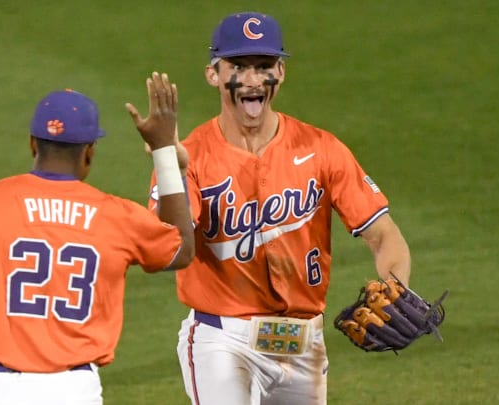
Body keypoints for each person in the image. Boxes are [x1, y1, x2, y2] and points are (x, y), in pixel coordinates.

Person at [147, 11, 413, 405]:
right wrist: (168, 165)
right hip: (223, 341)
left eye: (264, 66)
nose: (252, 80)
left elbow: (384, 235)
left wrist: (396, 288)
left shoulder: (322, 149)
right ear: (213, 74)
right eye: (238, 66)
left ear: (281, 72)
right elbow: (168, 249)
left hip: (304, 344)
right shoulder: (192, 156)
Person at [0, 73, 194, 404]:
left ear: (33, 144)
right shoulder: (117, 216)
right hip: (73, 390)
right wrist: (163, 150)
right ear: (89, 152)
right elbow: (182, 250)